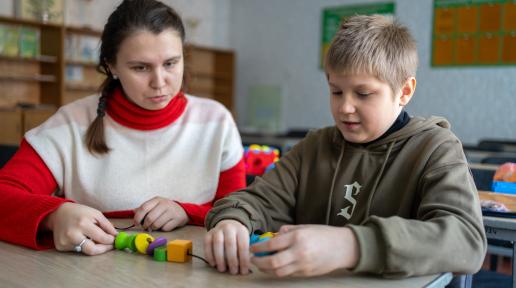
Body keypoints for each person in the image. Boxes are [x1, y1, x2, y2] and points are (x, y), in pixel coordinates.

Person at [204, 15, 486, 277]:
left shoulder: (435, 148)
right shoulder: (314, 147)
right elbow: (257, 201)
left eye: (363, 94)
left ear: (405, 91)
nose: (345, 107)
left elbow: (466, 240)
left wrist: (352, 244)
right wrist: (233, 221)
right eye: (336, 91)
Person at [0, 0, 245, 256]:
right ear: (112, 66)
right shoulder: (70, 124)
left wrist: (187, 211)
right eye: (140, 67)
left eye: (171, 63)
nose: (159, 82)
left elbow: (239, 210)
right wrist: (54, 215)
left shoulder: (216, 121)